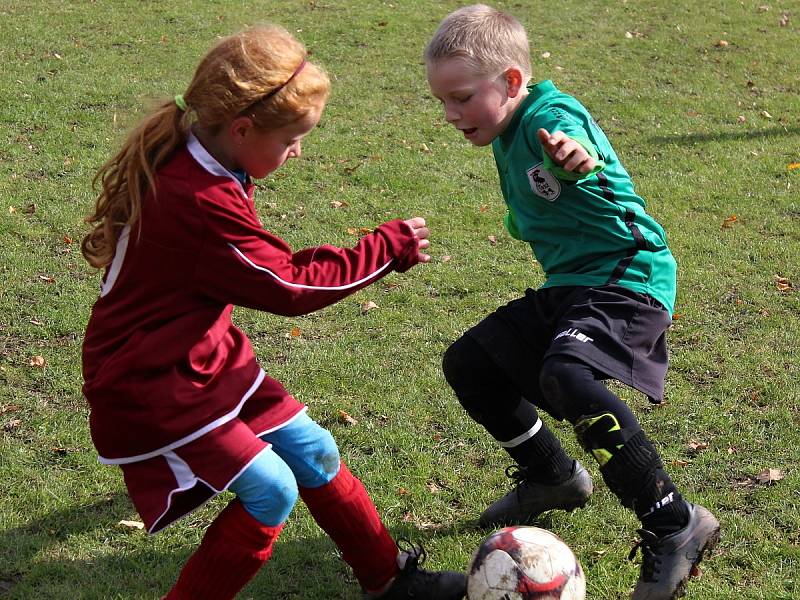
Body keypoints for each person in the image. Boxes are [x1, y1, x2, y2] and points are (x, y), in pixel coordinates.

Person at [80, 25, 466, 600]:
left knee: (313, 450)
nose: (297, 151)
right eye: (291, 138)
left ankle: (388, 581)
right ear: (241, 129)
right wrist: (385, 249)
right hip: (150, 379)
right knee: (271, 491)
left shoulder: (206, 154)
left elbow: (266, 267)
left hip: (202, 355)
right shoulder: (197, 199)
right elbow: (286, 285)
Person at [424, 5, 719, 599]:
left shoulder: (548, 116)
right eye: (443, 103)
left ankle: (674, 522)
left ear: (511, 82)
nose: (451, 115)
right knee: (471, 363)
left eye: (460, 97)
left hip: (629, 276)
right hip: (575, 285)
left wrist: (577, 159)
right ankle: (553, 477)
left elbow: (577, 148)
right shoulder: (506, 130)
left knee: (567, 374)